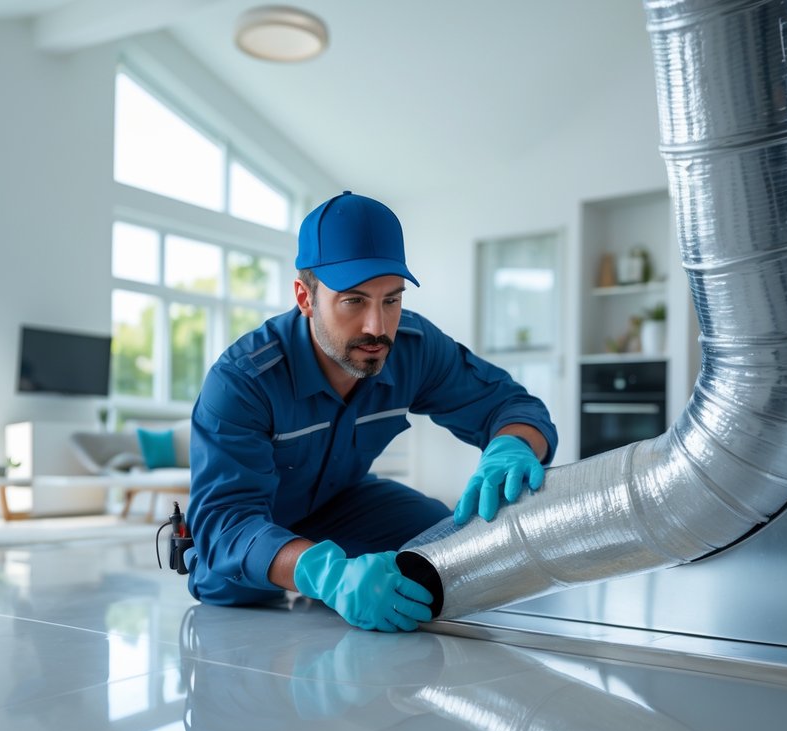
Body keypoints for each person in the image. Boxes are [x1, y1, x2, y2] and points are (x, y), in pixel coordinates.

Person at [185, 191, 557, 631]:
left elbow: (511, 404)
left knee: (448, 542)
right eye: (354, 301)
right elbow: (224, 524)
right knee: (235, 584)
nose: (377, 328)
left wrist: (512, 445)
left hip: (341, 504)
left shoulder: (414, 349)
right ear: (305, 297)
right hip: (252, 530)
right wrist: (327, 575)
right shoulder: (243, 381)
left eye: (391, 300)